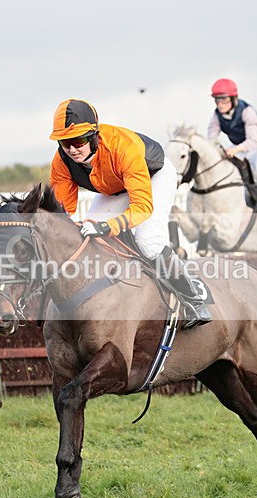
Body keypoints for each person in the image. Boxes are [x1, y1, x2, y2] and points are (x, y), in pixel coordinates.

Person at [49, 98, 211, 329]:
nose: (73, 149)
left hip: (154, 176)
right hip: (116, 186)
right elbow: (63, 213)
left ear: (94, 135)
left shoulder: (123, 147)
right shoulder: (61, 161)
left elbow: (142, 207)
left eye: (79, 140)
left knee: (149, 243)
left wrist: (108, 226)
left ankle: (193, 298)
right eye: (65, 142)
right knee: (87, 236)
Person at [207, 77, 257, 227]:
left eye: (224, 100)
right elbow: (211, 136)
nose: (220, 104)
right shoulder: (217, 115)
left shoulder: (247, 111)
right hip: (239, 146)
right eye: (217, 101)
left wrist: (235, 149)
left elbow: (253, 141)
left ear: (233, 99)